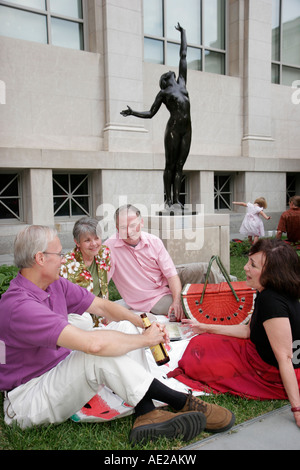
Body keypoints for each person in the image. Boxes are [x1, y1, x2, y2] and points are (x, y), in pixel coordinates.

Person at [0, 225, 235, 444]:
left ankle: (146, 413)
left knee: (124, 328)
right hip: (28, 399)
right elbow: (92, 345)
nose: (64, 259)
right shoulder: (18, 306)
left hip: (57, 375)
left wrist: (142, 324)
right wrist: (145, 340)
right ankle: (180, 401)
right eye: (59, 255)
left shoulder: (54, 285)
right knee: (95, 354)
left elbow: (102, 306)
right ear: (40, 258)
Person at [168, 239, 300, 429]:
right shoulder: (273, 292)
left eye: (253, 265)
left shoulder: (271, 301)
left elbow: (285, 358)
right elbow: (248, 331)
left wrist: (297, 409)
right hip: (262, 356)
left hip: (269, 373)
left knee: (196, 360)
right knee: (204, 341)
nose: (245, 268)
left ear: (272, 273)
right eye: (248, 261)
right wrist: (206, 327)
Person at [105, 204, 224, 321]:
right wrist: (104, 312)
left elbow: (171, 275)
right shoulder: (108, 248)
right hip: (151, 298)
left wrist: (177, 299)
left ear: (141, 223)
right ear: (116, 227)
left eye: (133, 225)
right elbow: (102, 282)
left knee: (204, 269)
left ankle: (232, 296)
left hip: (165, 280)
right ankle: (224, 307)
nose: (129, 231)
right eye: (123, 227)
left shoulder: (153, 241)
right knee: (188, 308)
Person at [121, 23, 191, 209]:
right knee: (170, 164)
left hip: (187, 129)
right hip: (174, 129)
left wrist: (183, 33)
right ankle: (168, 200)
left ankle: (176, 201)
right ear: (165, 80)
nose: (171, 71)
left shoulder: (182, 83)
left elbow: (183, 55)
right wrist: (133, 112)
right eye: (168, 73)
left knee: (180, 165)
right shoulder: (164, 93)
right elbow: (151, 113)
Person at [60, 217, 111, 328]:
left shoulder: (104, 253)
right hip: (75, 316)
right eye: (87, 240)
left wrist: (107, 312)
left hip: (98, 315)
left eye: (96, 238)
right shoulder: (66, 264)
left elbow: (104, 286)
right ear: (77, 242)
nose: (94, 244)